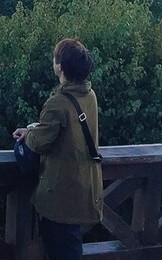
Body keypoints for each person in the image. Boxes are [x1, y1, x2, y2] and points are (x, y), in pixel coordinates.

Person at [12, 38, 103, 260]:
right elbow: (69, 129)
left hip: (61, 192)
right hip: (84, 185)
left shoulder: (58, 102)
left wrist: (29, 134)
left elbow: (38, 143)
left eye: (55, 58)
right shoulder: (89, 95)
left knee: (62, 248)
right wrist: (34, 128)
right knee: (70, 245)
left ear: (60, 67)